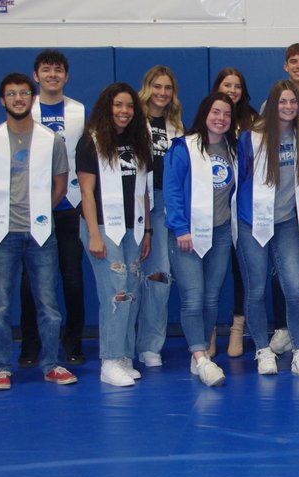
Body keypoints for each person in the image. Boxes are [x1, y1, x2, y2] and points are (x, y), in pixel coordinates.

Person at [0, 72, 77, 390]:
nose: (18, 98)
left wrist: (40, 213)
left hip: (41, 233)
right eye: (11, 93)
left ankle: (51, 364)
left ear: (32, 99)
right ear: (2, 100)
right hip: (3, 234)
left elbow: (60, 185)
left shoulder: (51, 140)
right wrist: (5, 215)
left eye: (23, 93)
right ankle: (0, 368)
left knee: (48, 304)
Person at [236, 80, 299, 377]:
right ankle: (263, 349)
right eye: (282, 101)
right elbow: (240, 180)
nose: (288, 107)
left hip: (287, 222)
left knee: (295, 288)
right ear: (272, 105)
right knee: (256, 288)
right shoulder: (250, 138)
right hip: (252, 222)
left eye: (293, 102)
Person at [76, 82, 153, 387]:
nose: (124, 111)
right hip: (103, 227)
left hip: (134, 228)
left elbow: (143, 192)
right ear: (107, 107)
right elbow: (86, 191)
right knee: (116, 292)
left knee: (131, 290)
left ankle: (123, 356)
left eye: (130, 106)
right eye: (118, 105)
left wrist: (147, 230)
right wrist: (94, 234)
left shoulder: (139, 141)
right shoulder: (91, 141)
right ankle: (109, 360)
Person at [163, 92, 238, 387]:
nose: (221, 118)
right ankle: (200, 357)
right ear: (205, 113)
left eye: (227, 114)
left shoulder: (233, 148)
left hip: (220, 232)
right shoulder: (184, 147)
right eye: (216, 112)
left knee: (211, 297)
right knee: (193, 297)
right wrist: (180, 228)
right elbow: (172, 190)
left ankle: (202, 354)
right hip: (188, 234)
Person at [18, 49, 87, 368]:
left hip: (71, 205)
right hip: (33, 209)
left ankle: (73, 342)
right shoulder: (23, 108)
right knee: (30, 283)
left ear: (66, 76)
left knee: (72, 280)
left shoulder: (79, 111)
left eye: (58, 70)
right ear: (36, 76)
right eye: (46, 70)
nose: (52, 75)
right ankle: (30, 345)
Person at [134, 65, 185, 367]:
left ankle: (150, 344)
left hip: (167, 202)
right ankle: (124, 345)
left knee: (160, 275)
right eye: (157, 86)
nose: (162, 93)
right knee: (131, 276)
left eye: (167, 87)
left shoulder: (176, 125)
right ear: (147, 87)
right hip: (136, 202)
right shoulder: (132, 119)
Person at [210, 66, 257, 357]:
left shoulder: (254, 120)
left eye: (237, 86)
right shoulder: (210, 117)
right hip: (214, 212)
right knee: (212, 275)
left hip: (244, 211)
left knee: (243, 272)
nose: (232, 90)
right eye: (227, 85)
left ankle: (238, 327)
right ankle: (209, 329)